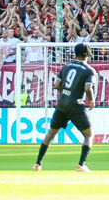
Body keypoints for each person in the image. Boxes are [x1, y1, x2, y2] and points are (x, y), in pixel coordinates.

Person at [34, 43, 96, 172]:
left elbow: (56, 84)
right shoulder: (89, 70)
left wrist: (66, 93)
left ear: (75, 53)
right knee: (89, 135)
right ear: (88, 53)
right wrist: (91, 100)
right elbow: (87, 88)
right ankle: (81, 164)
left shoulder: (66, 66)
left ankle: (38, 164)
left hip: (62, 103)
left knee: (50, 134)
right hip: (76, 105)